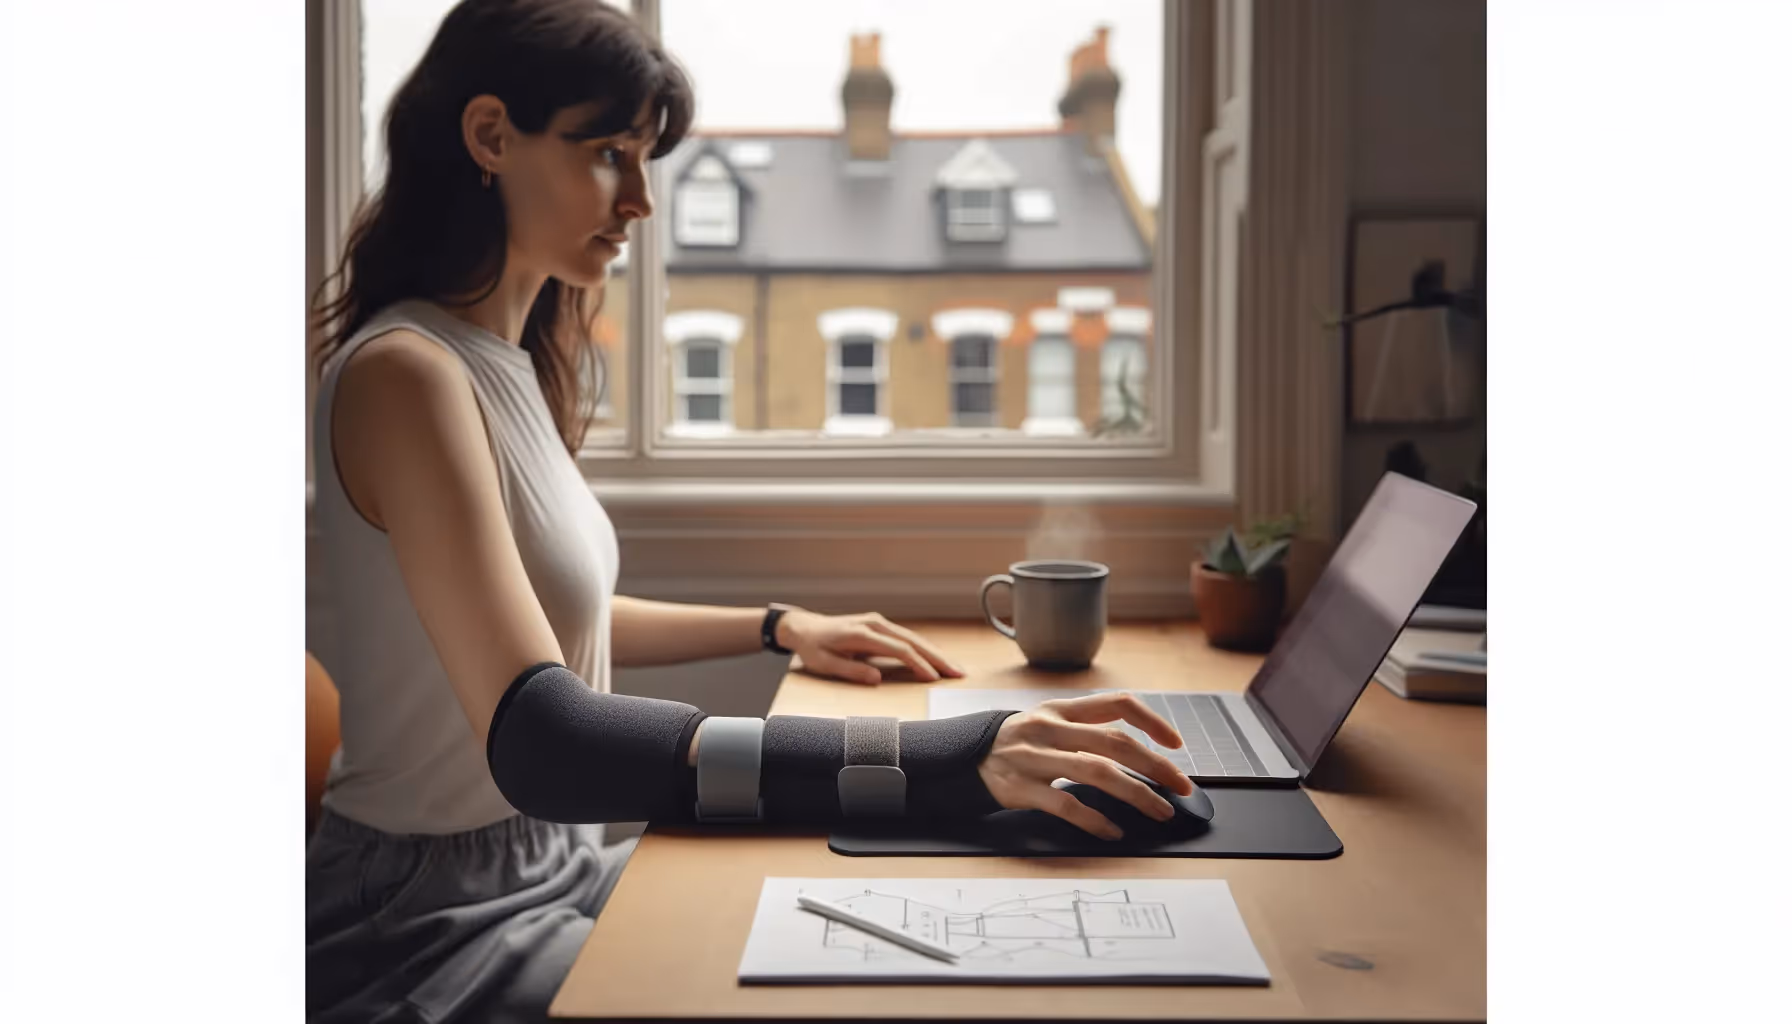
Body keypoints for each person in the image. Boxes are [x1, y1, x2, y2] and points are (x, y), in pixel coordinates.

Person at [305, 1, 1196, 1020]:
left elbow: (547, 619)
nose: (639, 198)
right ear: (491, 136)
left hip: (553, 860)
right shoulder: (404, 375)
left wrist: (777, 626)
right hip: (420, 922)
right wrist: (939, 759)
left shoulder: (502, 364)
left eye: (645, 159)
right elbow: (541, 734)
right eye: (609, 152)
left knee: (865, 926)